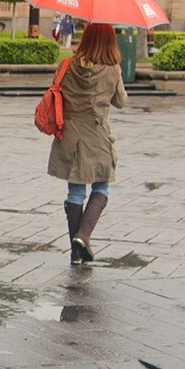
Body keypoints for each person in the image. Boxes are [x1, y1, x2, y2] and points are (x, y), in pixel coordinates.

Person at [49, 23, 128, 265]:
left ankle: (76, 253)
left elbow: (57, 92)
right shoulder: (112, 69)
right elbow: (120, 102)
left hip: (71, 135)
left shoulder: (66, 65)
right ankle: (83, 236)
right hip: (97, 134)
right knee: (101, 188)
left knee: (75, 191)